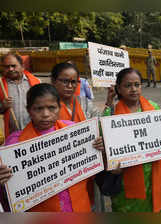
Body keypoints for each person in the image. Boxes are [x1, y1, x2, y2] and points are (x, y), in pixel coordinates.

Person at [0, 83, 104, 212]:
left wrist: (97, 148)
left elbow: (91, 168)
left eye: (51, 108)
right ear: (28, 110)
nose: (45, 114)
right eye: (38, 109)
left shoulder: (74, 130)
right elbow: (12, 192)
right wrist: (3, 180)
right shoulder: (14, 144)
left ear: (59, 108)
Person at [100, 67, 161, 212]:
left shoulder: (154, 109)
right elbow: (105, 150)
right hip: (126, 180)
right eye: (128, 85)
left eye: (137, 85)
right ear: (118, 88)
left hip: (153, 176)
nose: (133, 89)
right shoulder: (110, 115)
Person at [50, 62, 103, 211]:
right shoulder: (45, 106)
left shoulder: (85, 103)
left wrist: (99, 140)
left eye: (74, 82)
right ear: (53, 81)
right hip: (59, 173)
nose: (69, 86)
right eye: (65, 81)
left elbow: (98, 124)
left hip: (86, 170)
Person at [0, 53, 40, 138]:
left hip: (35, 133)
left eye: (13, 66)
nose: (10, 69)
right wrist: (2, 106)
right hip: (12, 136)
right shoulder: (0, 85)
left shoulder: (36, 82)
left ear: (22, 66)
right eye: (7, 67)